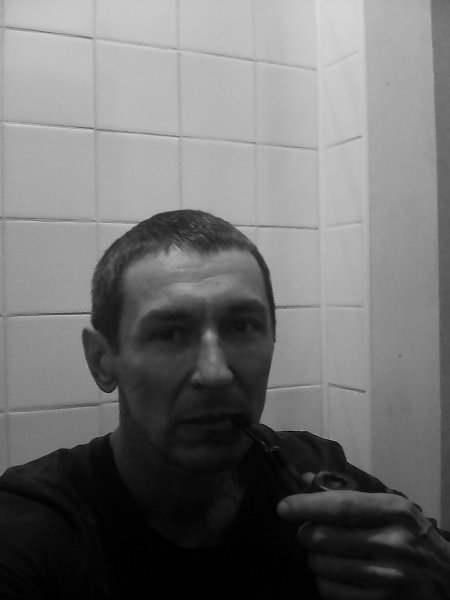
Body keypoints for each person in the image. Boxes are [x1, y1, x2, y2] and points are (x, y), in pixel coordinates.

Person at [0, 209, 449, 599]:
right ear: (102, 360)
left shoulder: (315, 471)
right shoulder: (31, 529)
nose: (216, 373)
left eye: (242, 326)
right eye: (169, 333)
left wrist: (438, 572)